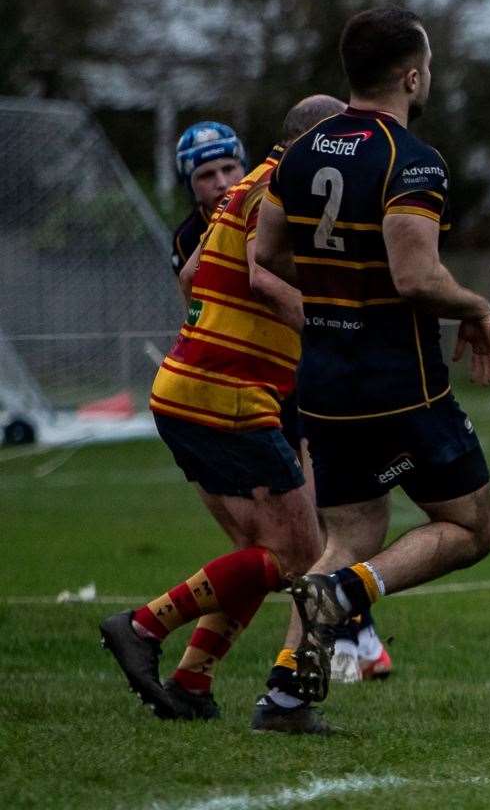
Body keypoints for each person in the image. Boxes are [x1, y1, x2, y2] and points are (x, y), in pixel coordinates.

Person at [250, 7, 490, 734]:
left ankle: (286, 694)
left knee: (352, 530)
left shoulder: (298, 154)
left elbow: (265, 255)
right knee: (471, 526)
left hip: (325, 383)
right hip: (400, 385)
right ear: (412, 75)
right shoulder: (412, 159)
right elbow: (416, 276)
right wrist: (478, 305)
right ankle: (348, 592)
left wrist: (334, 285)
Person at [98, 95, 345, 722]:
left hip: (193, 389)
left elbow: (196, 277)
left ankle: (192, 683)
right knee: (296, 554)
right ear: (319, 140)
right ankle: (144, 625)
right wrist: (332, 325)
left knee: (254, 555)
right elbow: (260, 278)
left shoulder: (253, 187)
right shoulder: (280, 188)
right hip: (227, 398)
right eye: (346, 136)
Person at [171, 121, 246, 283]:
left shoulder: (274, 211)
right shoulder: (187, 238)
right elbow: (193, 305)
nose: (222, 183)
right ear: (190, 186)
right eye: (207, 175)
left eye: (228, 169)